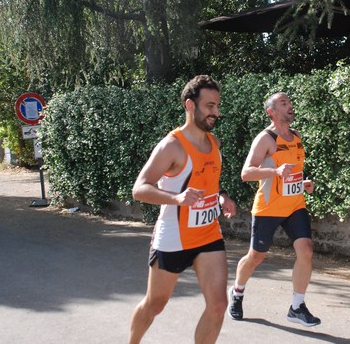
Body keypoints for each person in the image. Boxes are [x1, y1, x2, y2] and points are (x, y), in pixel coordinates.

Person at [129, 75, 236, 344]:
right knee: (155, 304)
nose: (215, 112)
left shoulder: (215, 144)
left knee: (218, 305)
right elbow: (140, 188)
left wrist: (221, 196)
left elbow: (208, 183)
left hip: (208, 235)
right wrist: (177, 199)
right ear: (190, 105)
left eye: (217, 106)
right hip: (174, 237)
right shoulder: (172, 146)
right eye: (209, 106)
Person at [228, 92, 321, 327]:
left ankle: (297, 307)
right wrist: (275, 172)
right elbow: (246, 173)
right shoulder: (265, 139)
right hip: (268, 207)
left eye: (290, 102)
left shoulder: (297, 136)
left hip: (294, 205)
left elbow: (292, 173)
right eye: (284, 103)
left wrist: (303, 184)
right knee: (256, 256)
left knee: (306, 251)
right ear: (271, 112)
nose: (290, 106)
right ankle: (237, 292)